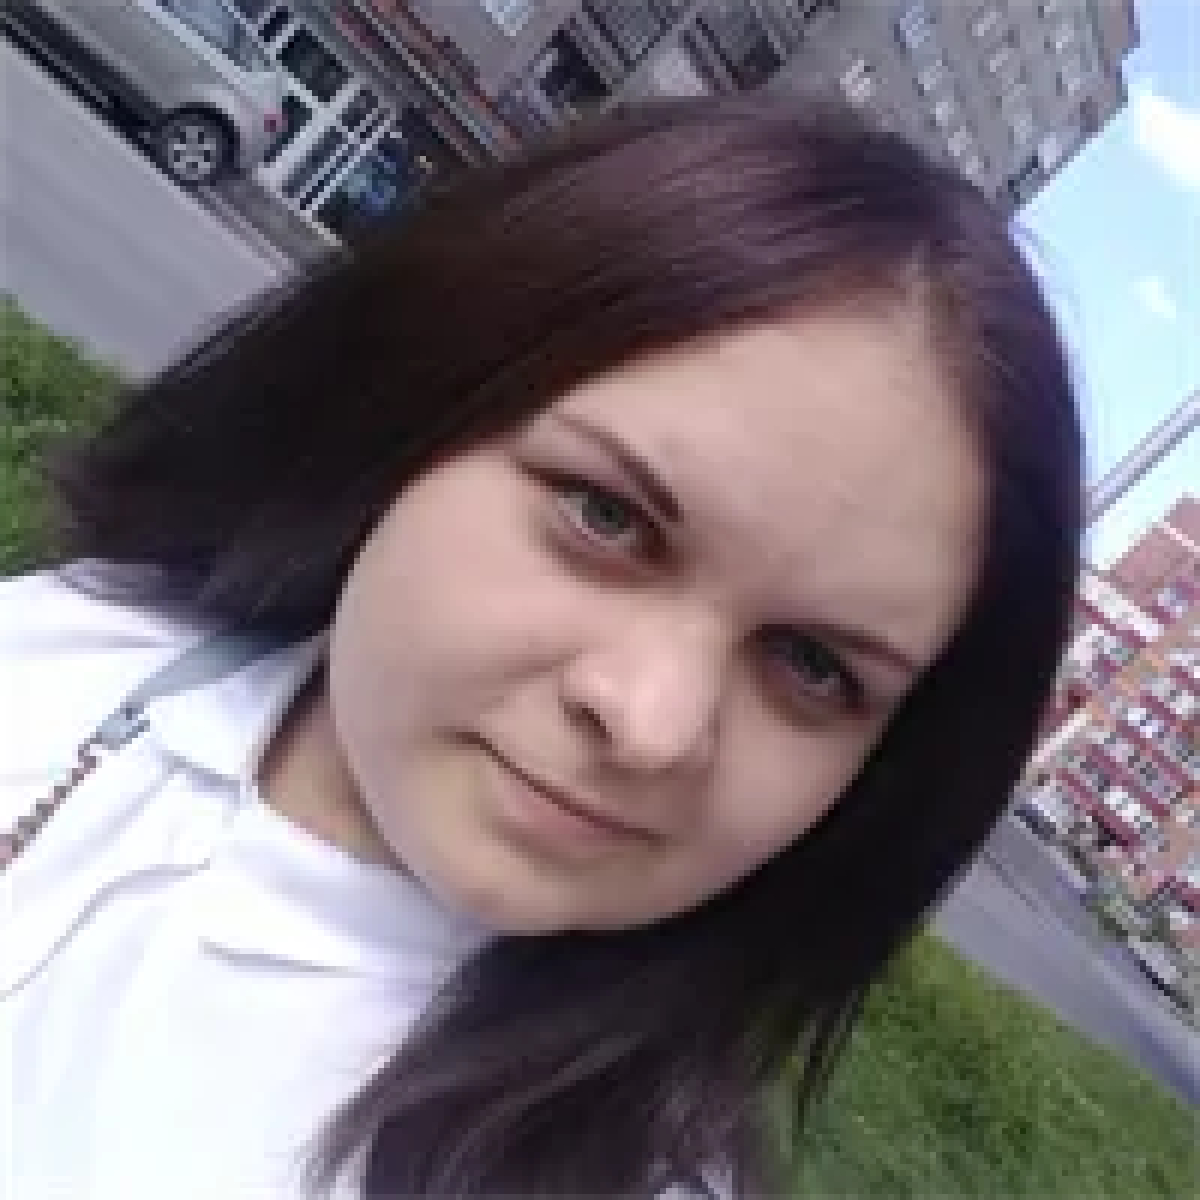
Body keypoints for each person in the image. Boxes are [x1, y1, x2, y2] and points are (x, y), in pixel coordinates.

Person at [1, 95, 1083, 1198]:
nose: (652, 722)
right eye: (607, 516)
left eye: (812, 666)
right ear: (424, 405)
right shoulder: (76, 644)